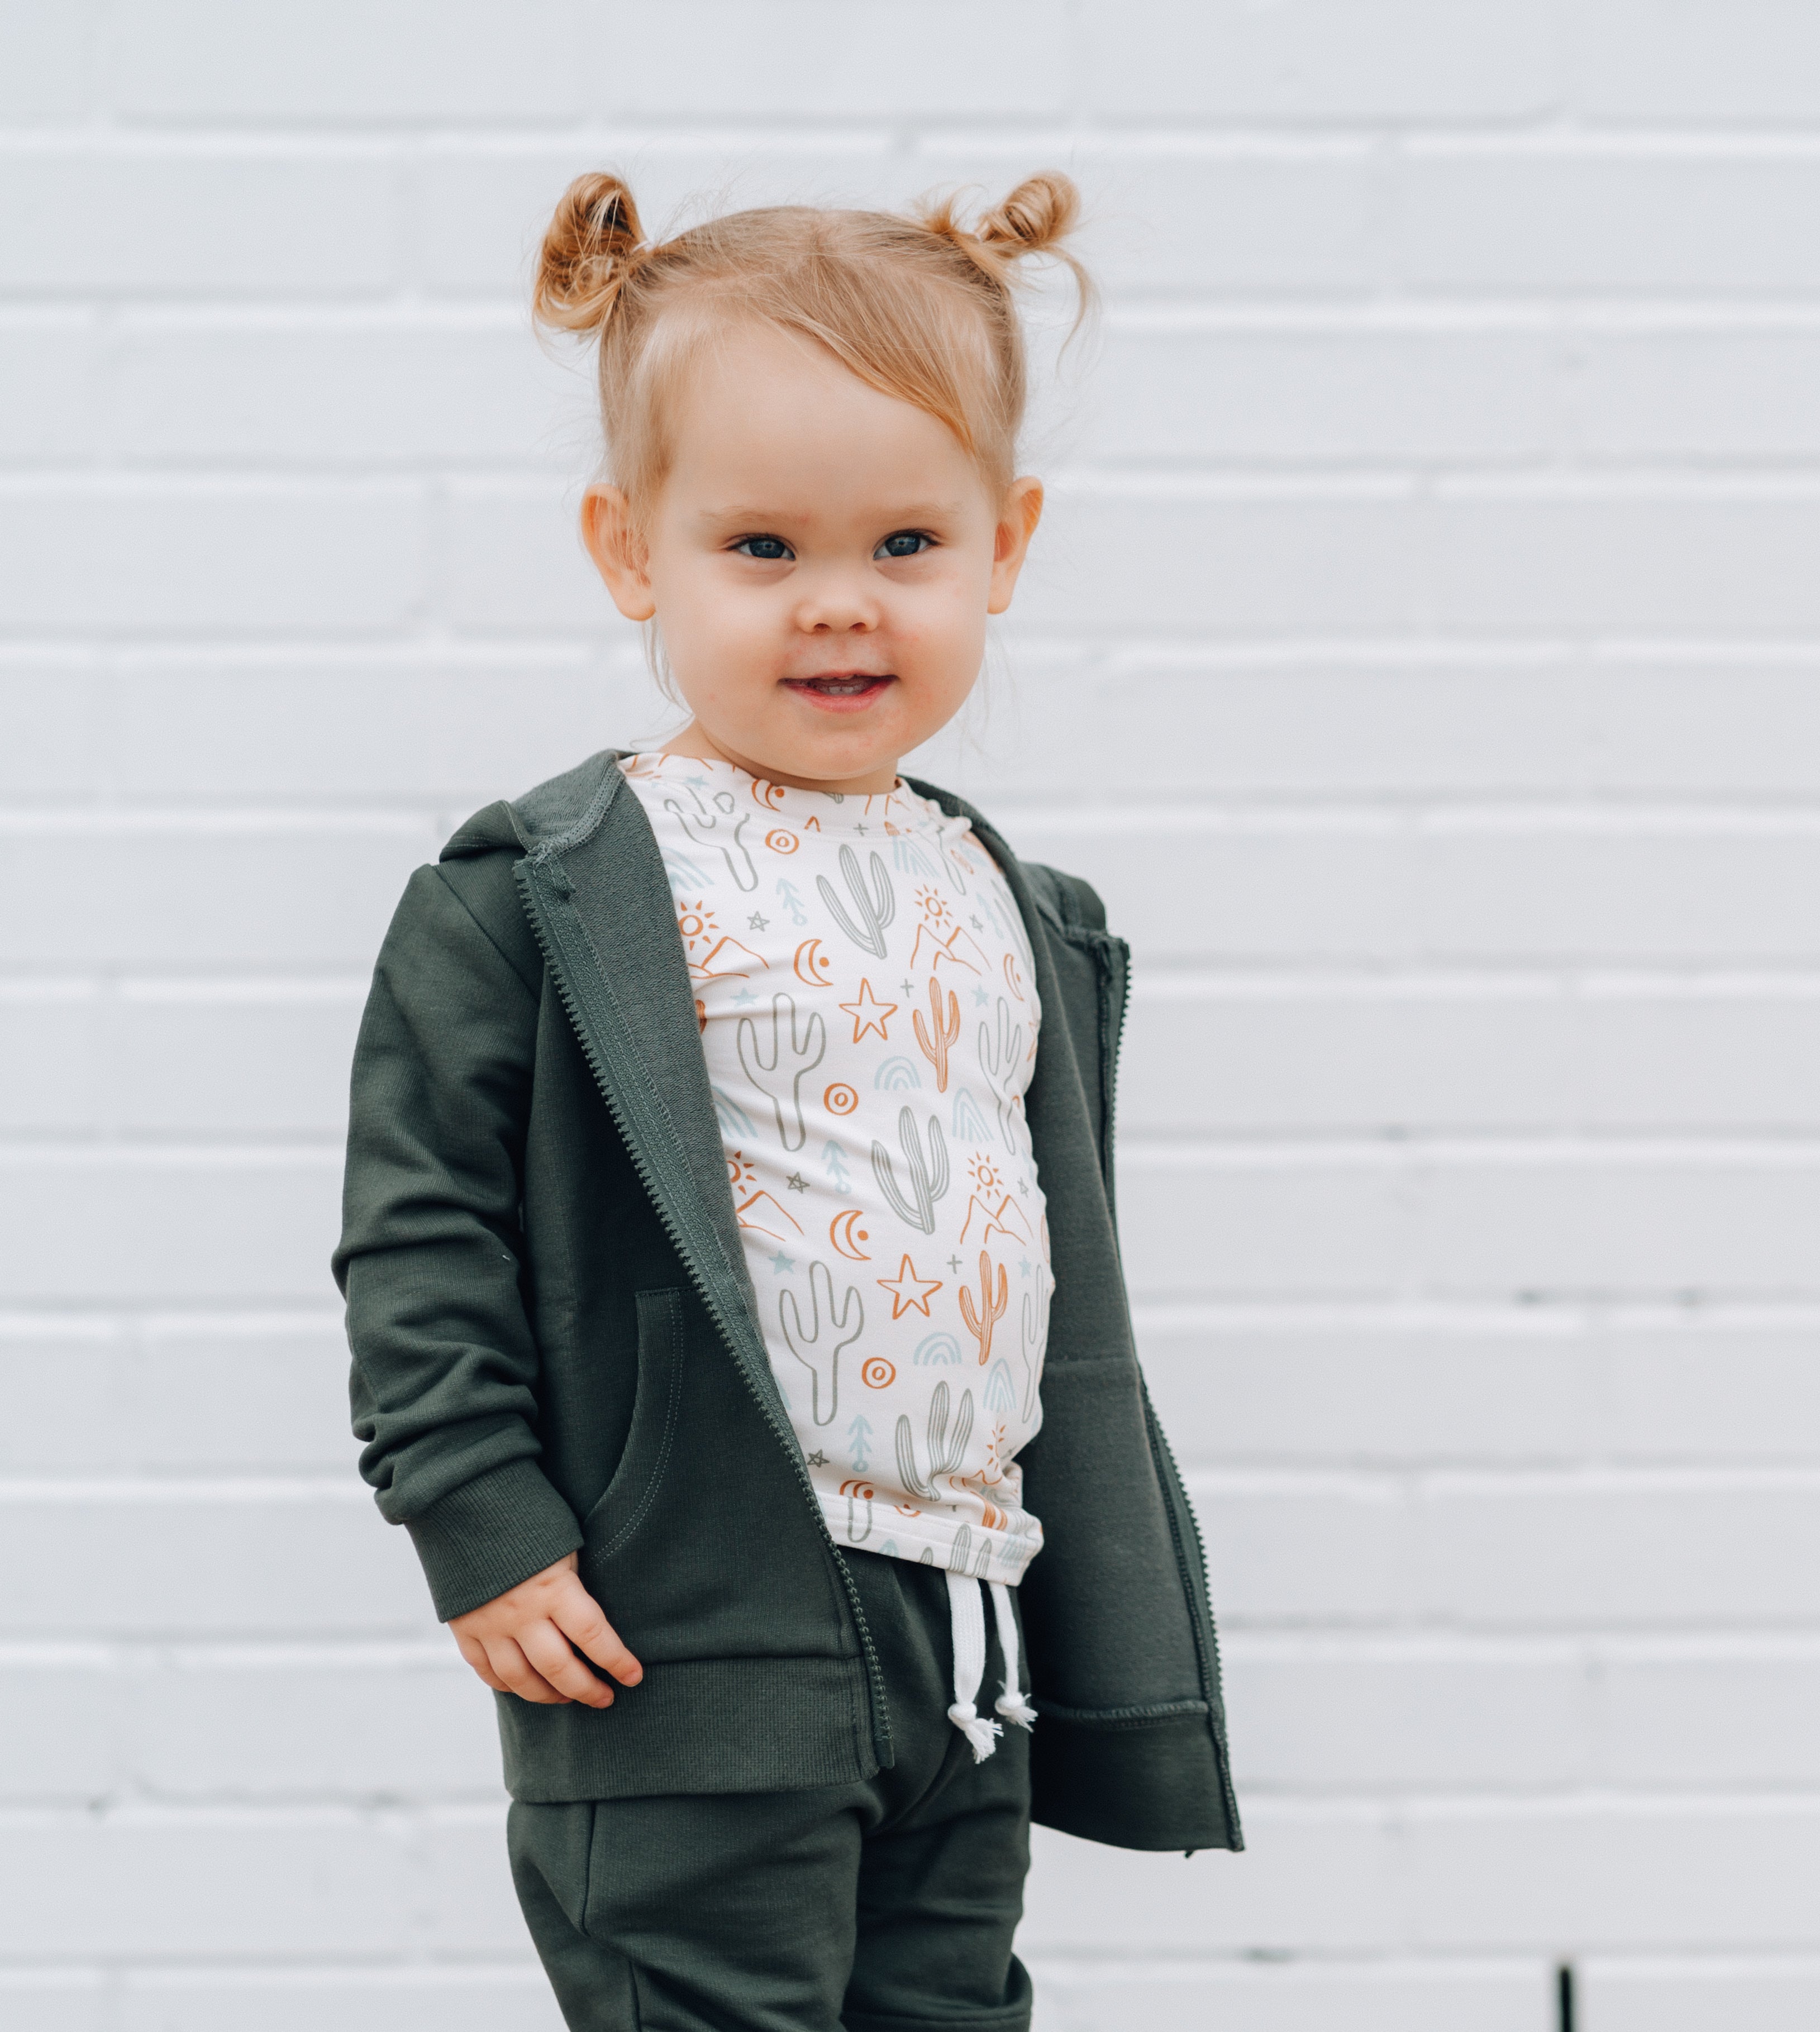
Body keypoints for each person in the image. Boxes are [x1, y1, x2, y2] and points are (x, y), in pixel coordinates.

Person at [333, 166, 1239, 2032]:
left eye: (906, 542)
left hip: (963, 1634)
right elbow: (420, 1235)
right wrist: (480, 1518)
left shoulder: (1006, 902)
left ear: (1006, 543)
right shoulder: (547, 893)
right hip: (682, 1629)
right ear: (629, 552)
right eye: (760, 549)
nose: (840, 605)